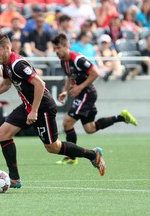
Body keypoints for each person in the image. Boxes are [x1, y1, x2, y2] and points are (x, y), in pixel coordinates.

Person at [0, 31, 107, 189]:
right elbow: (5, 84)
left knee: (53, 147)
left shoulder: (18, 64)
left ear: (7, 48)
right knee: (3, 133)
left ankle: (93, 154)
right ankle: (15, 178)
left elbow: (39, 84)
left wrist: (34, 111)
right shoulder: (6, 64)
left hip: (42, 107)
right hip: (28, 106)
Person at [51, 33, 138, 165]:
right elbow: (70, 76)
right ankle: (121, 117)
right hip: (83, 94)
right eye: (55, 48)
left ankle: (71, 157)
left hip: (87, 93)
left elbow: (95, 73)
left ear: (66, 46)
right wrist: (65, 90)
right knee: (90, 128)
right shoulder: (64, 61)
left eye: (58, 48)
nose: (56, 51)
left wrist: (80, 87)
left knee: (67, 123)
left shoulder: (77, 59)